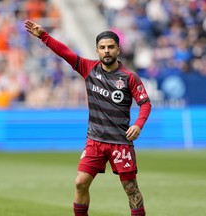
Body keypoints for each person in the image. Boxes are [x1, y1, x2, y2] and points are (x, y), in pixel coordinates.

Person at [24, 19, 151, 216]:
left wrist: (138, 125)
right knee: (80, 183)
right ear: (97, 51)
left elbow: (145, 103)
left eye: (110, 47)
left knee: (131, 189)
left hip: (120, 142)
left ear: (118, 50)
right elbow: (65, 53)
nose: (106, 51)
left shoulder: (129, 77)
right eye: (102, 47)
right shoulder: (88, 68)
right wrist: (44, 36)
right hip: (95, 141)